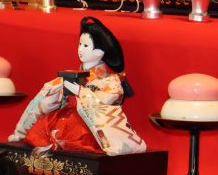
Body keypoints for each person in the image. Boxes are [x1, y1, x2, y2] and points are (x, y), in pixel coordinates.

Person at [8, 16, 146, 155]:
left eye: (86, 46)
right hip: (65, 121)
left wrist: (80, 91)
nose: (80, 49)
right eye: (80, 44)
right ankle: (22, 133)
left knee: (76, 131)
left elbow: (104, 105)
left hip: (88, 130)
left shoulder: (111, 81)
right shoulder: (71, 75)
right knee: (45, 118)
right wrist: (55, 94)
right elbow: (46, 102)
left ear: (100, 51)